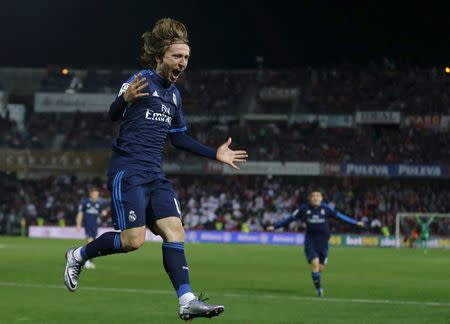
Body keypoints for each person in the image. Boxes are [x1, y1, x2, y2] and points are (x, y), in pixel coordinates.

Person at [64, 18, 248, 321]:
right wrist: (124, 99)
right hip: (129, 170)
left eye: (187, 57)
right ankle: (78, 255)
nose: (183, 62)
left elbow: (177, 137)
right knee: (132, 241)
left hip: (154, 174)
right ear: (160, 55)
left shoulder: (174, 96)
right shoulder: (141, 80)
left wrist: (214, 153)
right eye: (178, 56)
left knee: (175, 231)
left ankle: (186, 300)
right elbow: (113, 114)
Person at [266, 189, 364, 297]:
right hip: (310, 242)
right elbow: (290, 219)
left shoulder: (326, 208)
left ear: (321, 198)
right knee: (315, 264)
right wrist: (275, 226)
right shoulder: (304, 208)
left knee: (320, 268)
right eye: (313, 196)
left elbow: (341, 217)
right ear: (310, 198)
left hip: (324, 243)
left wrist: (355, 223)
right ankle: (319, 289)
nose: (316, 198)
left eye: (318, 196)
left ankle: (316, 277)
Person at [75, 187, 107, 269]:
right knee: (90, 243)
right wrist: (78, 224)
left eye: (97, 194)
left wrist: (103, 213)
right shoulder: (85, 203)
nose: (97, 195)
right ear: (91, 194)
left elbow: (102, 213)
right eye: (95, 194)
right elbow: (80, 214)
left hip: (95, 226)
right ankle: (87, 261)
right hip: (88, 225)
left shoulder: (99, 204)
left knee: (93, 244)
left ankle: (82, 258)